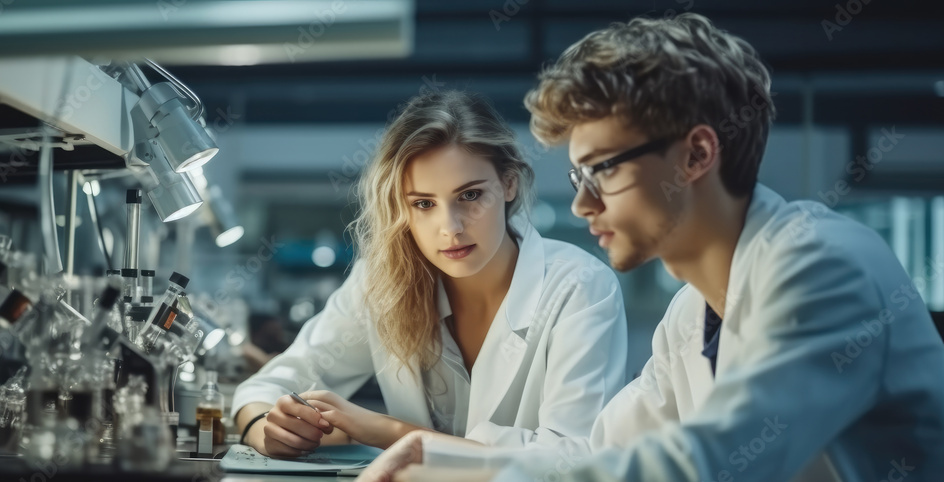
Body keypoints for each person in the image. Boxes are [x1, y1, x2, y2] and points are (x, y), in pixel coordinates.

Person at [359, 13, 944, 482]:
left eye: (603, 172)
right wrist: (434, 460)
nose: (585, 206)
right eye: (577, 179)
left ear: (696, 154)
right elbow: (595, 452)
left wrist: (453, 468)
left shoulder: (822, 265)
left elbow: (706, 465)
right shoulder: (691, 315)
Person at [232, 90, 629, 458]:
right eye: (423, 203)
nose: (450, 227)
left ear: (509, 183)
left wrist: (390, 432)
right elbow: (270, 385)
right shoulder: (381, 283)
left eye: (470, 195)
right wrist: (265, 428)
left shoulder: (578, 288)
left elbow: (573, 460)